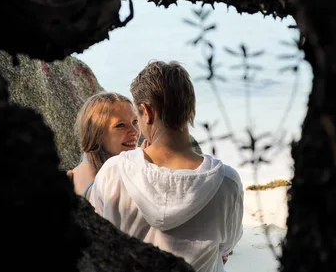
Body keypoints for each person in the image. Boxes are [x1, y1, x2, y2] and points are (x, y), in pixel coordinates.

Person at [82, 61, 244, 272]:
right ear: (191, 108)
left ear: (146, 112)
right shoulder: (226, 183)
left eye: (136, 117)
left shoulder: (114, 172)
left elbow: (97, 241)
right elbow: (227, 247)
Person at [67, 91, 141, 199]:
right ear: (97, 134)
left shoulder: (140, 167)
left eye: (135, 121)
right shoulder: (84, 183)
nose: (134, 131)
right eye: (120, 125)